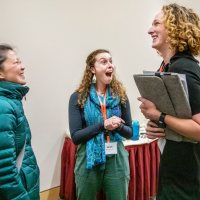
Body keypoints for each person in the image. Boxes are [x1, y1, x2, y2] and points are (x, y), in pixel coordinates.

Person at [138, 3, 200, 200]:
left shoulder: (184, 68)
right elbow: (179, 119)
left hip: (187, 180)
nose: (150, 30)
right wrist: (156, 126)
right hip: (173, 170)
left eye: (156, 23)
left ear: (174, 28)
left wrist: (159, 115)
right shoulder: (169, 67)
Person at [68, 49, 132, 200]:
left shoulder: (120, 95)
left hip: (117, 159)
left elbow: (129, 132)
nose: (110, 65)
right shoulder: (78, 97)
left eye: (110, 61)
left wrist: (119, 126)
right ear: (92, 69)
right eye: (103, 62)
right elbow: (76, 137)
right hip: (88, 159)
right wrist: (103, 125)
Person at [0, 44, 40, 199]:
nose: (22, 67)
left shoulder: (11, 101)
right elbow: (4, 171)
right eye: (16, 63)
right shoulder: (3, 106)